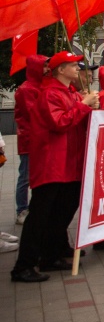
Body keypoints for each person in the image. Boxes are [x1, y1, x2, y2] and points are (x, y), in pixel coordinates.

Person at [11, 52, 98, 283]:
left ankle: (51, 254)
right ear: (60, 70)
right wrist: (85, 106)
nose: (79, 68)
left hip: (68, 163)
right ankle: (24, 265)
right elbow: (60, 122)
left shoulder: (66, 92)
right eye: (74, 65)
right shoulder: (50, 93)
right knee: (40, 214)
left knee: (63, 209)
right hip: (53, 164)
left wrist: (89, 107)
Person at [13, 55, 46, 229]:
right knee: (25, 176)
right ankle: (22, 210)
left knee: (36, 175)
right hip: (29, 139)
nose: (48, 69)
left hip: (40, 138)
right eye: (45, 66)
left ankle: (32, 208)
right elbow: (34, 113)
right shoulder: (26, 89)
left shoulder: (41, 86)